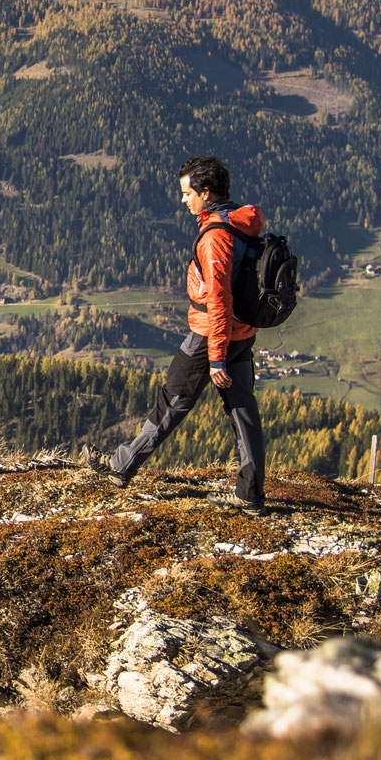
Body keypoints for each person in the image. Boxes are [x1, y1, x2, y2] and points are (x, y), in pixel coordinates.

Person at [91, 155, 268, 513]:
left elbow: (218, 299)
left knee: (172, 400)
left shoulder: (215, 237)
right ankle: (249, 493)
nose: (183, 200)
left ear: (206, 192)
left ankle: (121, 466)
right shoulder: (241, 222)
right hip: (242, 332)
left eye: (187, 193)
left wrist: (215, 356)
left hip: (210, 336)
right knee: (243, 408)